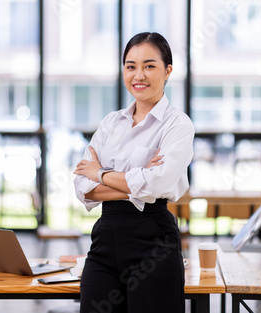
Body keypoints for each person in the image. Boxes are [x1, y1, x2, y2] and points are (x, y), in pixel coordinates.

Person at [73, 32, 195, 313]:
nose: (139, 74)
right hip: (104, 241)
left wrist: (100, 173)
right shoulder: (110, 123)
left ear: (168, 71)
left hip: (153, 241)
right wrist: (138, 181)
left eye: (149, 65)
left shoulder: (178, 124)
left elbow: (159, 182)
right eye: (131, 66)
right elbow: (82, 185)